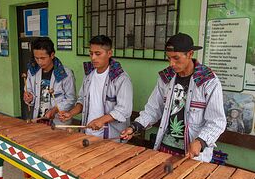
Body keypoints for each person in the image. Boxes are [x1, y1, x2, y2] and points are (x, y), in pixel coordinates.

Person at [121, 33, 226, 162]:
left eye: (176, 58)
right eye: (169, 58)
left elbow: (217, 121)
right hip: (164, 148)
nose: (171, 63)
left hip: (193, 154)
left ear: (190, 54)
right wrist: (135, 127)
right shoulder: (166, 78)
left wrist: (200, 141)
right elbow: (153, 109)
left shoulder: (208, 81)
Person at [23, 37, 76, 179]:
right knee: (41, 154)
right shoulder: (33, 71)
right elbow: (30, 93)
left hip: (58, 120)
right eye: (36, 58)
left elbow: (71, 98)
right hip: (39, 120)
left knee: (57, 157)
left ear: (52, 55)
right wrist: (28, 97)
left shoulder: (65, 73)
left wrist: (54, 110)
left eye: (43, 58)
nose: (39, 61)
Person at [59, 35, 133, 140]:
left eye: (98, 54)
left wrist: (101, 120)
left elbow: (124, 110)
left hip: (111, 138)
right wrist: (70, 113)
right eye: (91, 53)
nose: (93, 57)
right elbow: (82, 100)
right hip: (87, 133)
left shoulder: (120, 78)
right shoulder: (89, 75)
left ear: (109, 53)